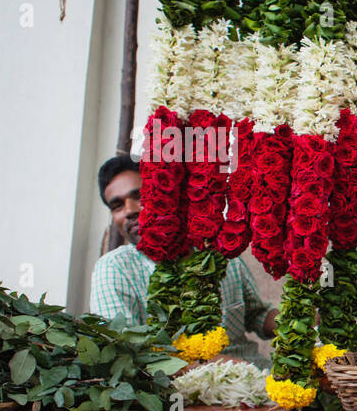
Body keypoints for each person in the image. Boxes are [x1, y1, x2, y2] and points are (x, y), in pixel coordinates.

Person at [89, 155, 277, 365]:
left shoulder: (219, 253)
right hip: (179, 391)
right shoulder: (114, 268)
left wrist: (303, 318)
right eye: (117, 206)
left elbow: (258, 315)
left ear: (166, 195)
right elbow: (127, 354)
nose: (130, 210)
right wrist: (226, 368)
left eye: (140, 196)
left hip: (257, 380)